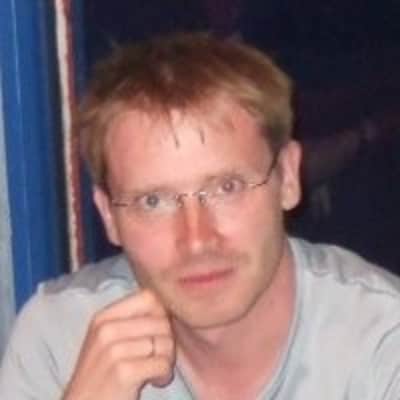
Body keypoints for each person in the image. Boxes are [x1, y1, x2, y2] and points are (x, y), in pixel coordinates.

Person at [1, 33, 400, 400]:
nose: (196, 240)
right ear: (108, 215)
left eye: (228, 188)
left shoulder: (381, 340)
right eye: (154, 201)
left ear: (288, 178)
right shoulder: (60, 340)